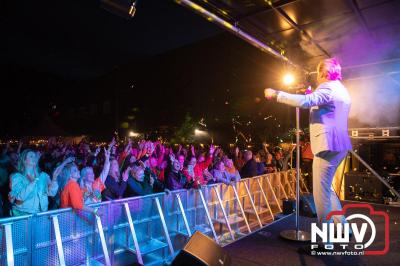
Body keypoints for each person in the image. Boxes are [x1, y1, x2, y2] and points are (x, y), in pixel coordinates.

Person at [265, 58, 352, 252]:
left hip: (328, 145)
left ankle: (324, 243)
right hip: (340, 144)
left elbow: (306, 101)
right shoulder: (341, 90)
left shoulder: (328, 88)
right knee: (327, 189)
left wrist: (277, 94)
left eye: (318, 73)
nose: (317, 76)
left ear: (323, 73)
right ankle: (343, 227)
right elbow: (321, 105)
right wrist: (311, 95)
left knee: (320, 194)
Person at [9, 149, 59, 216]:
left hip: (41, 213)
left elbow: (51, 193)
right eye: (31, 156)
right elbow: (19, 197)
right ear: (24, 160)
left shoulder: (43, 175)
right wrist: (34, 182)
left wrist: (54, 179)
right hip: (23, 214)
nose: (34, 158)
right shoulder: (17, 177)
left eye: (35, 156)